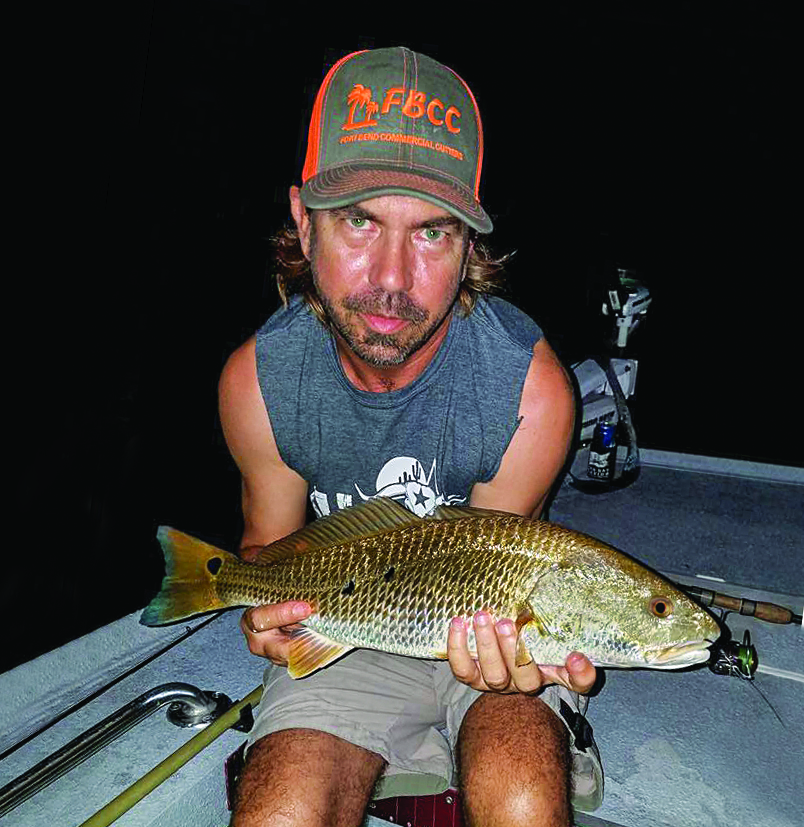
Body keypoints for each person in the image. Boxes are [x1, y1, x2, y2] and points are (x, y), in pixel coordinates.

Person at [218, 47, 602, 827]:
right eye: (359, 220)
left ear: (469, 247)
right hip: (345, 625)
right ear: (304, 219)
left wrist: (523, 657)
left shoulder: (533, 392)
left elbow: (505, 596)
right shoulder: (256, 383)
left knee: (524, 800)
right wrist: (261, 612)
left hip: (488, 642)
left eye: (431, 232)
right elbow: (268, 553)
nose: (391, 276)